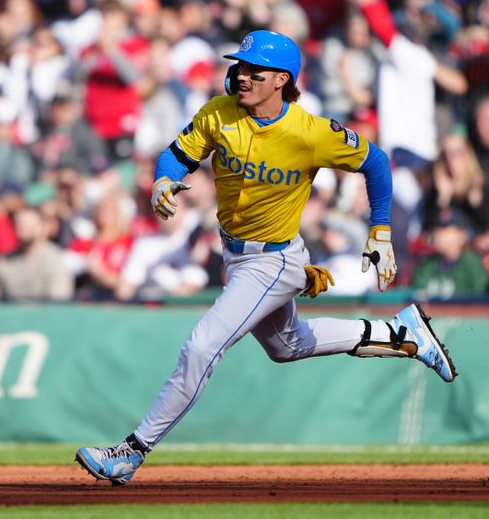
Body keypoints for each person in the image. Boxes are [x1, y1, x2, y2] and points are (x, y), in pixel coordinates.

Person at [74, 31, 457, 486]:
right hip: (236, 254)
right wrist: (162, 181)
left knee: (201, 347)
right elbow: (177, 156)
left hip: (272, 262)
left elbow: (375, 162)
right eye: (239, 67)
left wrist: (381, 230)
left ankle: (131, 452)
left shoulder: (310, 132)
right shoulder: (219, 113)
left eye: (254, 71)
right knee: (287, 346)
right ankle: (399, 332)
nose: (241, 76)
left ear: (281, 80)